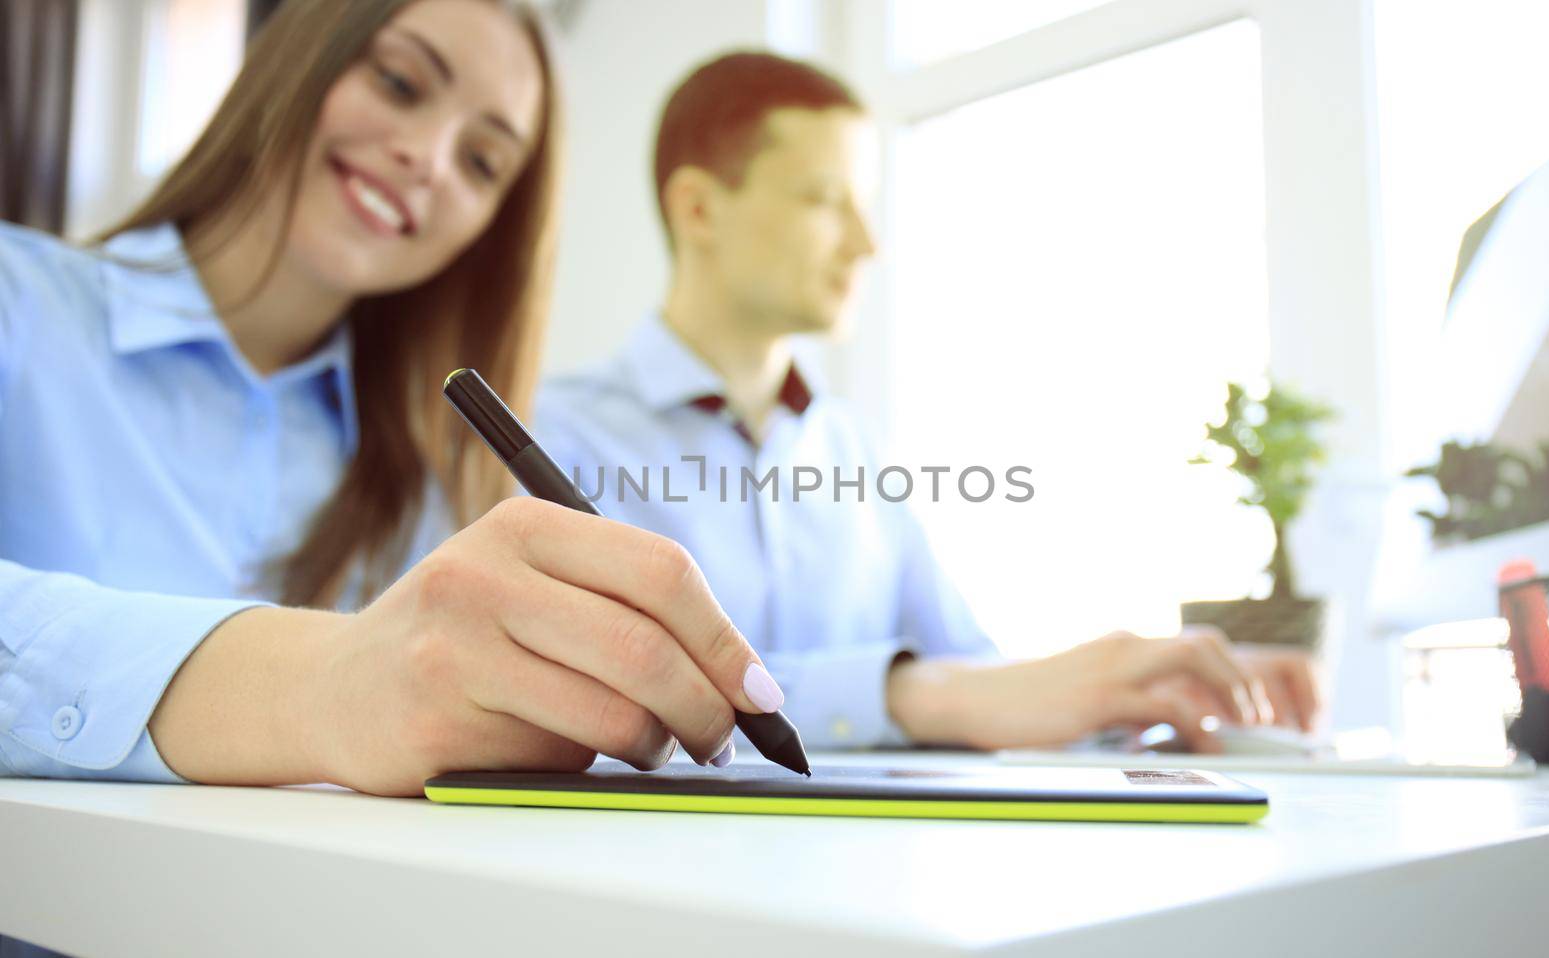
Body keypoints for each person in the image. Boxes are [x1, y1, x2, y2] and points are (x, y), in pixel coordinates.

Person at [0, 0, 785, 807]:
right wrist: (313, 686)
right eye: (400, 82)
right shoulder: (17, 302)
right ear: (297, 58)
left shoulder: (424, 486)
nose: (426, 158)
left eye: (481, 162)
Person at [534, 51, 1322, 754]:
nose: (866, 244)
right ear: (699, 209)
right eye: (822, 199)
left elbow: (967, 671)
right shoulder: (549, 440)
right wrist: (912, 694)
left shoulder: (853, 445)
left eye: (863, 203)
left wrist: (1137, 692)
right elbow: (592, 700)